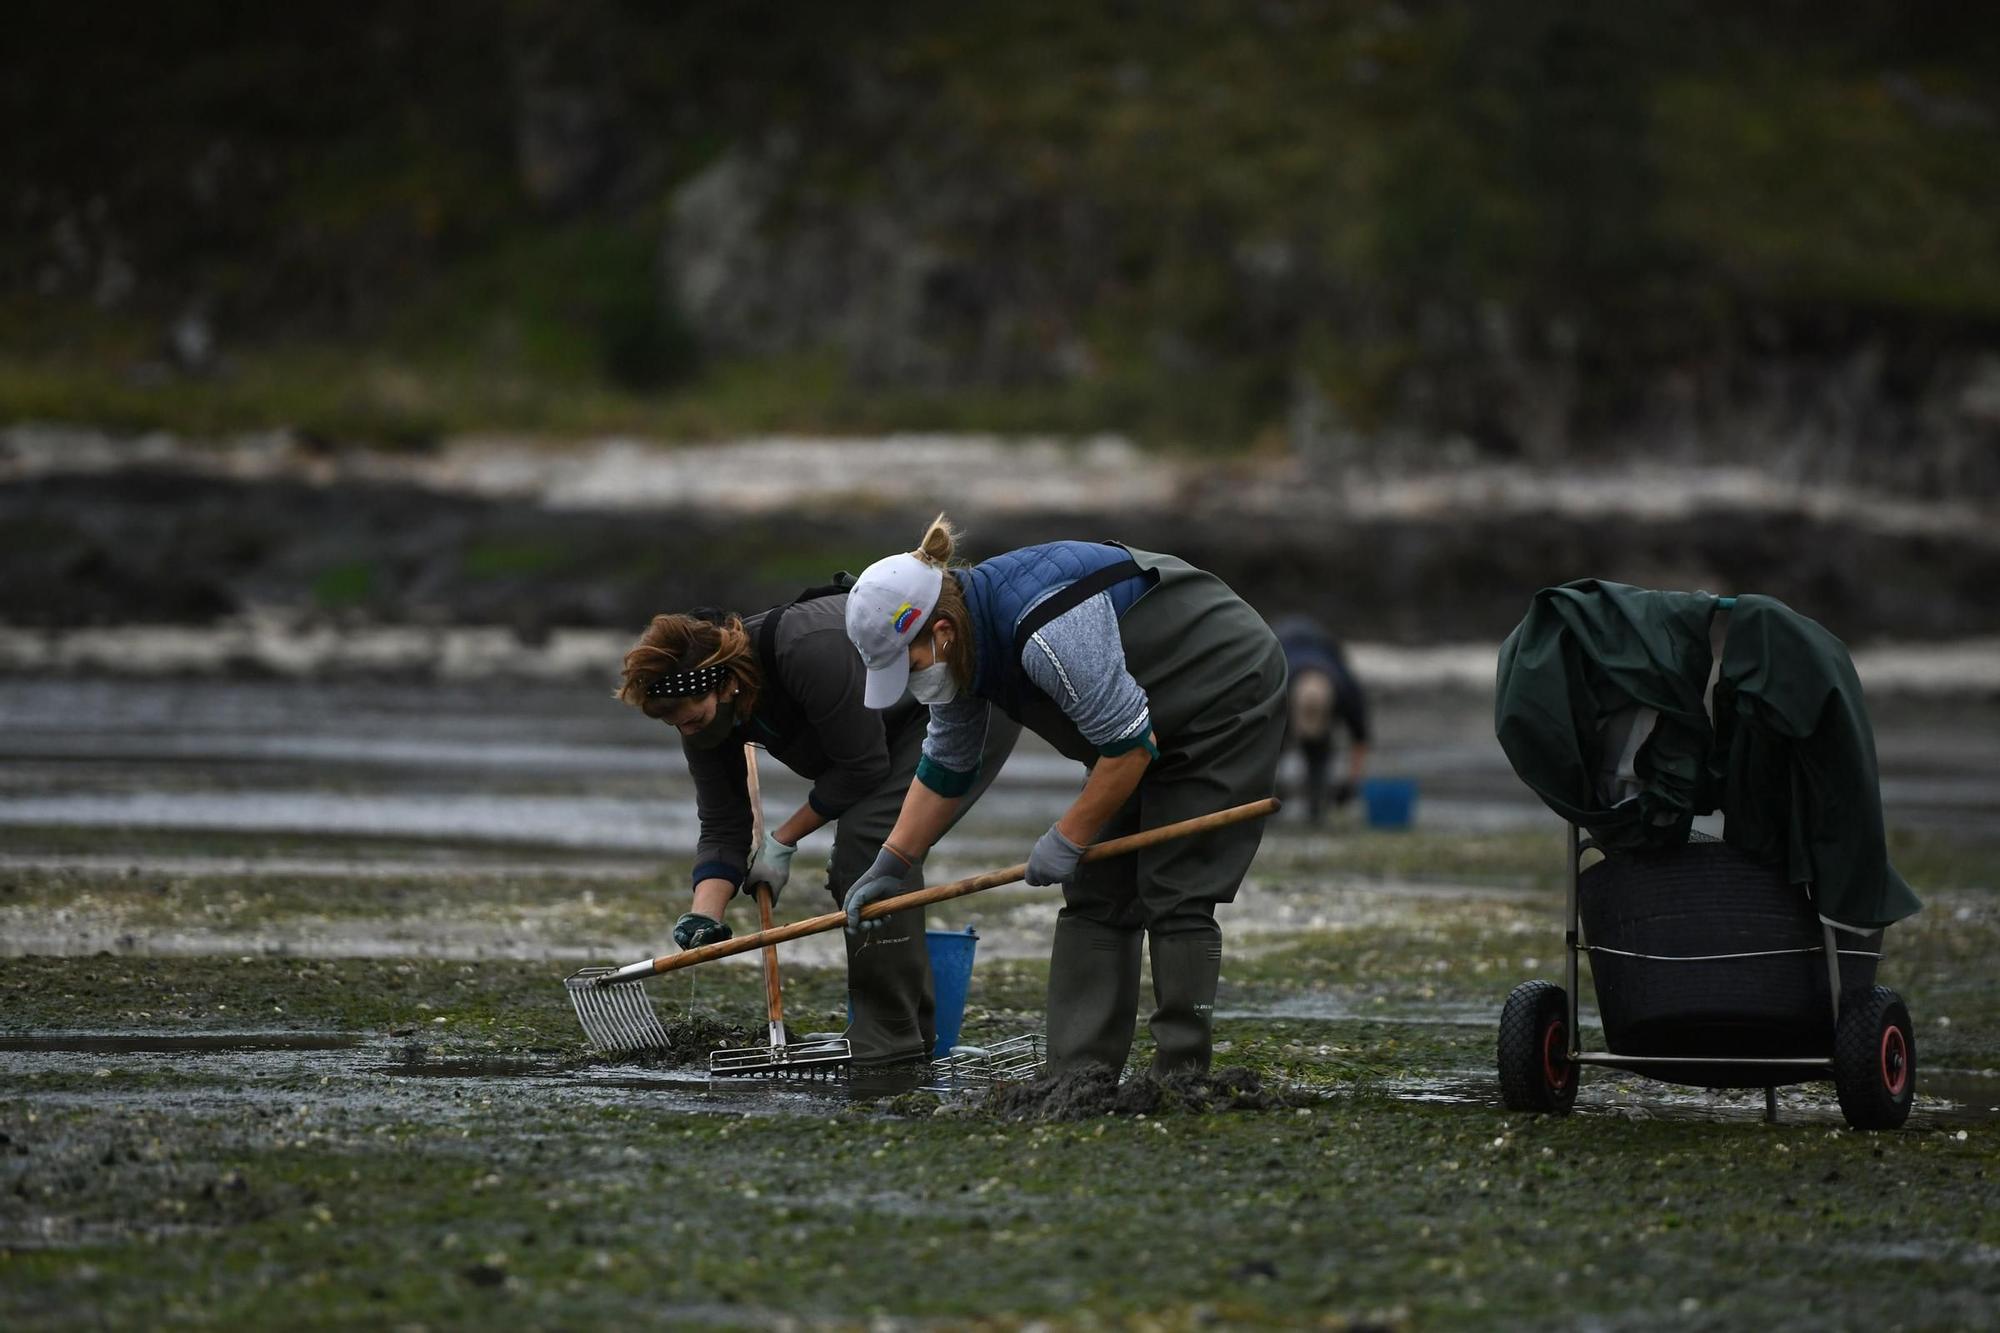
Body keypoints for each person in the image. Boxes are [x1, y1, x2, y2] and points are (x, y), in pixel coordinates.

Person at [840, 515, 1287, 1079]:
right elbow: (948, 762)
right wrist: (894, 860)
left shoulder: (1047, 629)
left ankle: (1182, 1074)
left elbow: (1128, 746)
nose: (911, 681)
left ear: (941, 632)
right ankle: (1079, 1076)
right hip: (1135, 720)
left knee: (1176, 888)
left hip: (1223, 688)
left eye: (911, 666)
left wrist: (1067, 835)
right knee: (1097, 892)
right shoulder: (963, 648)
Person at [616, 586, 1018, 1067]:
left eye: (694, 718)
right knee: (862, 851)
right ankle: (914, 1033)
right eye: (675, 727)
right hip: (882, 738)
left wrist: (783, 839)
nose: (689, 732)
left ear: (725, 685)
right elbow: (723, 823)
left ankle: (889, 1036)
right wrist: (705, 913)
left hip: (954, 701)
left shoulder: (805, 651)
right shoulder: (702, 719)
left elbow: (863, 768)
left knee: (866, 846)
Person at [1270, 614, 1371, 823]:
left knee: (1318, 754)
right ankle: (1266, 801)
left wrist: (1351, 783)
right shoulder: (1272, 685)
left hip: (1320, 641)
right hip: (1281, 641)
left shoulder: (1348, 692)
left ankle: (1316, 810)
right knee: (1269, 748)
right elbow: (1249, 739)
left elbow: (1360, 738)